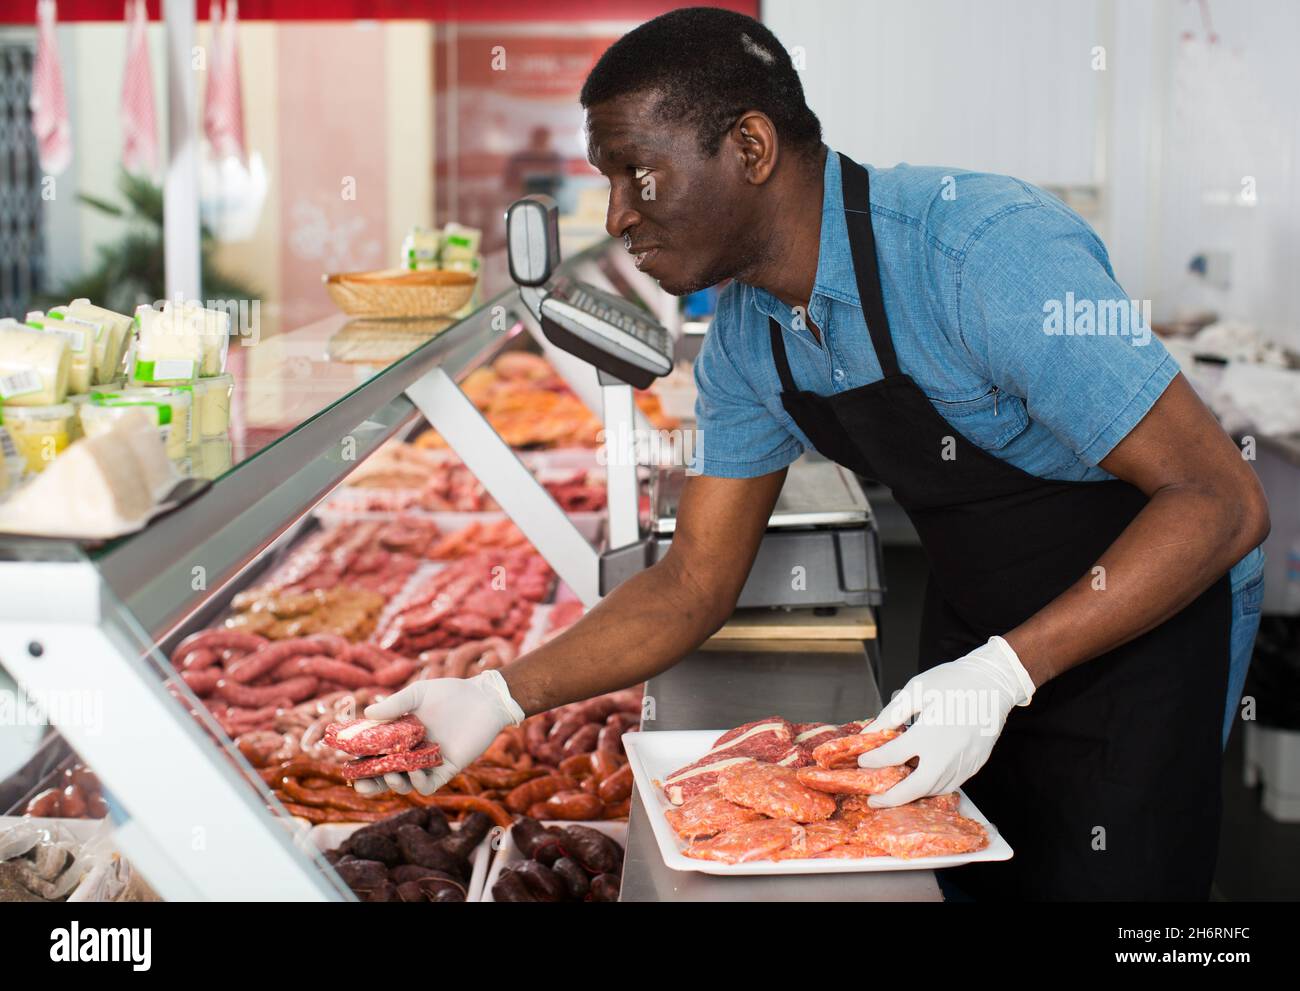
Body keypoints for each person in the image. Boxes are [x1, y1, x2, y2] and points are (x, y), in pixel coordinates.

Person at [360, 8, 1268, 900]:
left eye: (641, 176)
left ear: (750, 149)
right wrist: (496, 695)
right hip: (976, 628)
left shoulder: (980, 253)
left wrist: (1007, 672)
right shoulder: (747, 341)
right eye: (609, 182)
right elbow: (691, 585)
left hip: (1142, 616)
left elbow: (1220, 500)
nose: (619, 216)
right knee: (971, 873)